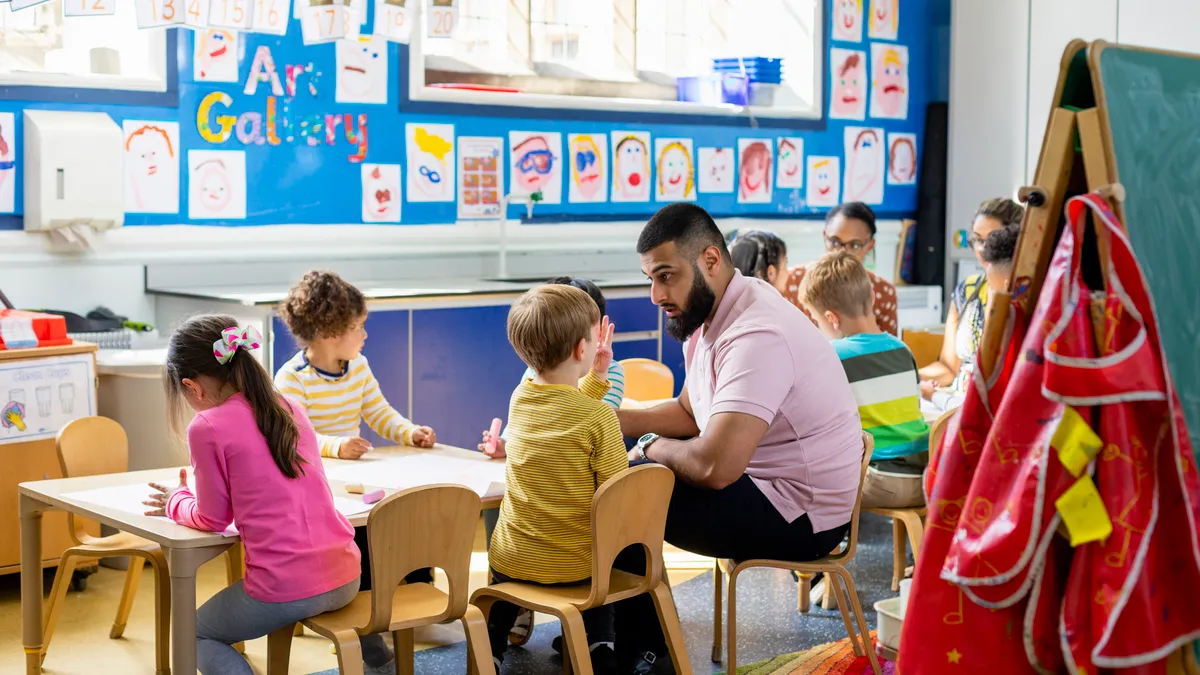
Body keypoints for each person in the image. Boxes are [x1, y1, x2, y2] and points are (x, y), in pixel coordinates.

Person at [613, 203, 863, 672]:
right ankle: (611, 640)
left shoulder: (757, 332)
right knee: (623, 483)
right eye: (651, 278)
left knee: (626, 495)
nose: (655, 294)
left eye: (666, 276)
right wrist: (602, 418)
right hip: (765, 487)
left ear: (710, 260)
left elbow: (714, 466)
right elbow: (690, 413)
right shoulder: (708, 313)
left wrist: (648, 448)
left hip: (803, 515)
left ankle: (642, 656)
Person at [144, 315, 393, 675]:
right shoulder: (290, 407)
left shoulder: (207, 426)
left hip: (284, 588)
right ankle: (384, 666)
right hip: (346, 575)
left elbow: (212, 518)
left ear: (192, 387)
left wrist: (175, 500)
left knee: (193, 632)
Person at [273, 270, 434, 618]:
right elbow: (296, 438)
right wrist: (338, 446)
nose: (365, 334)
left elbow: (378, 412)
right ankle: (361, 618)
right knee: (361, 535)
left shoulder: (358, 366)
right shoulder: (291, 378)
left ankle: (419, 603)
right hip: (317, 484)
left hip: (352, 480)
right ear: (331, 332)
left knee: (410, 517)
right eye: (358, 327)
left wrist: (410, 432)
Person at [485, 284, 627, 674]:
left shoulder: (520, 397)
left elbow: (563, 405)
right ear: (582, 350)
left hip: (513, 561)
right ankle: (599, 648)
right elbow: (617, 490)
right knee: (601, 565)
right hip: (574, 566)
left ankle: (492, 649)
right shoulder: (599, 419)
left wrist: (596, 378)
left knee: (504, 570)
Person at [800, 252, 929, 510]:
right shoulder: (903, 350)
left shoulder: (833, 356)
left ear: (831, 318)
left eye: (816, 320)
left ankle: (824, 546)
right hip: (926, 481)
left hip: (877, 483)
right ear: (871, 298)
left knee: (800, 477)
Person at [918, 198, 1024, 401]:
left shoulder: (1027, 294)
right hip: (956, 403)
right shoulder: (967, 290)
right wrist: (912, 377)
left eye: (991, 239)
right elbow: (949, 367)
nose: (983, 249)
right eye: (977, 239)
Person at [785, 202, 900, 335]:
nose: (841, 252)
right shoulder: (792, 280)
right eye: (834, 242)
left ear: (870, 245)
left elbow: (885, 350)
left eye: (855, 245)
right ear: (825, 236)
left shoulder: (883, 292)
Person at [727, 230, 790, 296]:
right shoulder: (777, 305)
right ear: (771, 273)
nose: (788, 273)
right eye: (785, 264)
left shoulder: (726, 303)